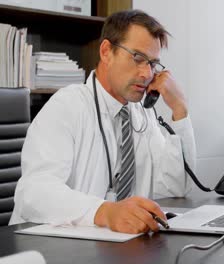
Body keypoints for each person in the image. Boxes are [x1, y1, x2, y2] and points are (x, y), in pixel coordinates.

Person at [9, 10, 196, 234]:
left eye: (153, 63)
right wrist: (105, 212)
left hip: (120, 247)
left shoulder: (141, 113)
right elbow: (34, 194)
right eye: (137, 58)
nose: (147, 73)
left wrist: (180, 109)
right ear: (107, 52)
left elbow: (174, 187)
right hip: (49, 249)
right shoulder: (67, 105)